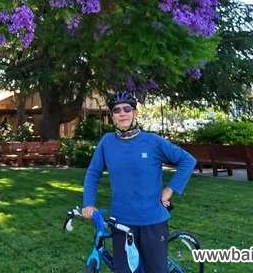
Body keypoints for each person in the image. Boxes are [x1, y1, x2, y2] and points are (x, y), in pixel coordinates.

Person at [82, 91, 196, 273]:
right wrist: (88, 203)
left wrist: (169, 190)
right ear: (112, 117)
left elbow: (188, 161)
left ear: (135, 113)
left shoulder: (152, 141)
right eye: (117, 110)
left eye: (127, 108)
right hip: (121, 222)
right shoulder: (107, 142)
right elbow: (93, 173)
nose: (122, 113)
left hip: (153, 221)